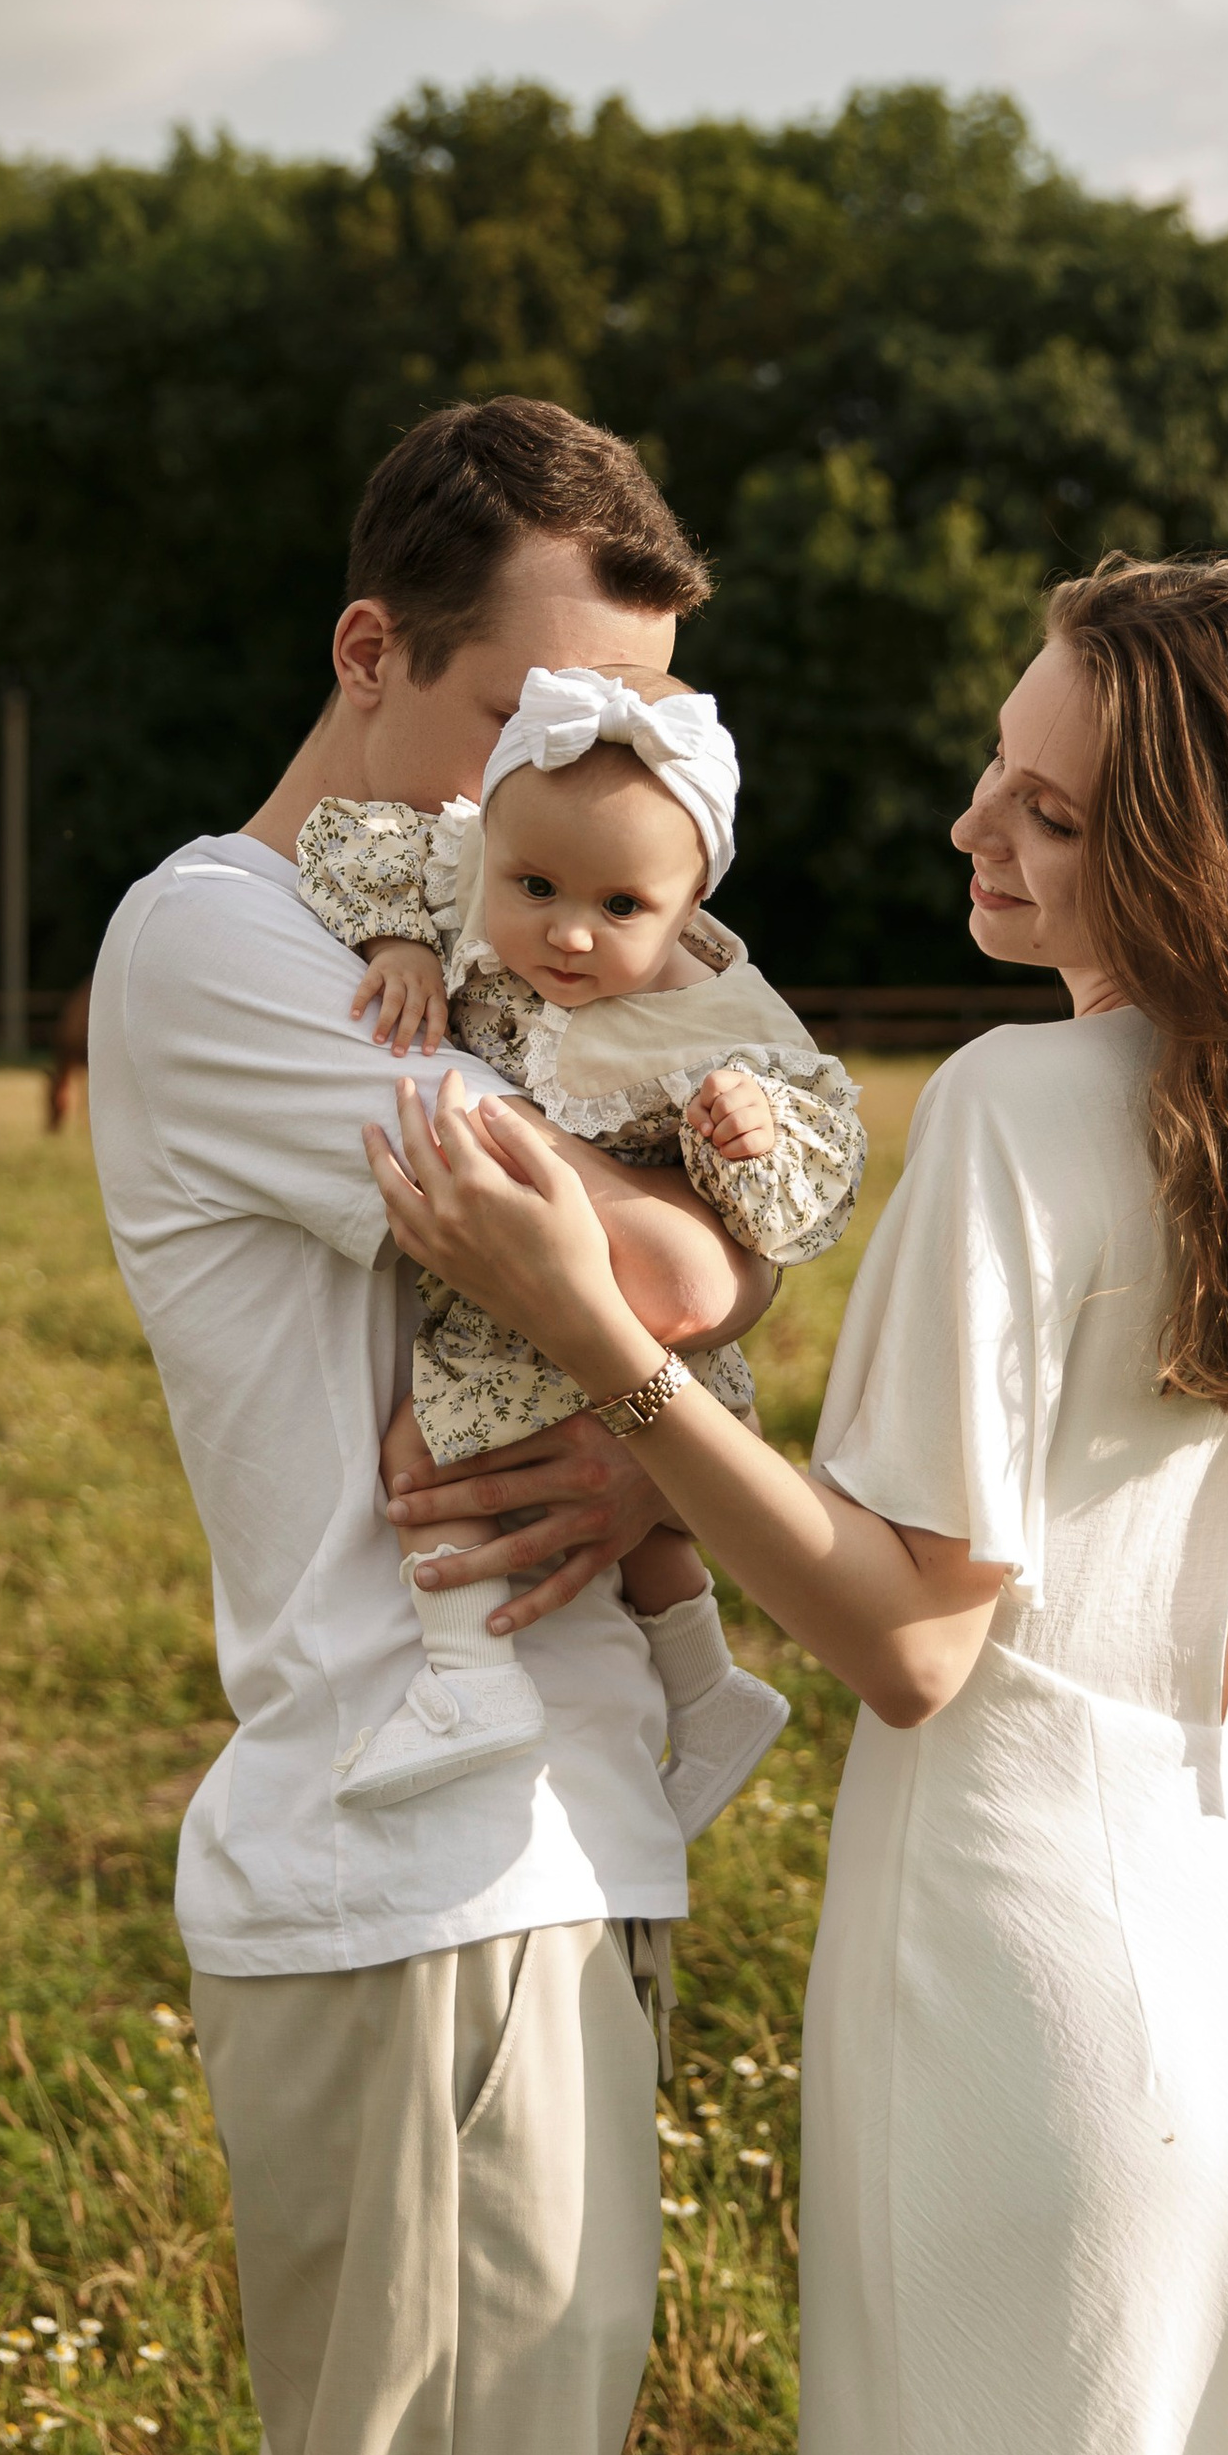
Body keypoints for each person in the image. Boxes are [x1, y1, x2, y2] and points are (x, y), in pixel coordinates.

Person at [371, 553, 1228, 2455]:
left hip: (1018, 1984)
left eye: (1049, 810)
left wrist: (604, 1349)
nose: (974, 824)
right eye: (995, 766)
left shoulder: (1012, 1106)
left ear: (1197, 851)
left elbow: (907, 1638)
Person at [85, 397, 774, 2455]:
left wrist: (647, 1365)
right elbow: (677, 1235)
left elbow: (744, 1177)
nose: (588, 802)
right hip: (418, 1862)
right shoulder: (228, 941)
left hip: (536, 1846)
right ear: (368, 654)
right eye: (532, 723)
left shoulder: (539, 948)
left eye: (640, 746)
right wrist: (662, 1319)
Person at [297, 656, 863, 1821]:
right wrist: (398, 943)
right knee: (642, 1531)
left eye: (619, 910)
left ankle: (467, 1678)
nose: (565, 935)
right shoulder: (460, 881)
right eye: (535, 886)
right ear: (489, 848)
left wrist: (743, 1136)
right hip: (578, 1297)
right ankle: (709, 1690)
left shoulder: (711, 1017)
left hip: (588, 1299)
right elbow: (358, 845)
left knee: (420, 1456)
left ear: (691, 903)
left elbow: (814, 1176)